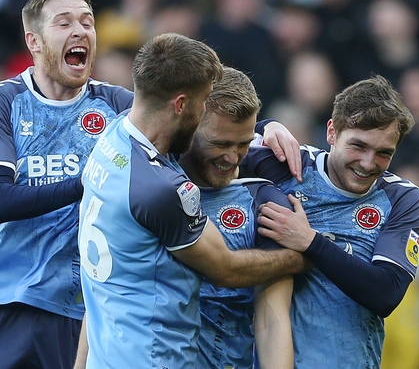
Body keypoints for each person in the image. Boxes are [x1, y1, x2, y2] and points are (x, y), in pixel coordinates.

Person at [0, 0, 301, 369]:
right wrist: (90, 180)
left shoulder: (115, 105)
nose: (80, 31)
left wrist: (264, 129)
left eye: (87, 22)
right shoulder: (1, 100)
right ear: (33, 40)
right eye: (64, 23)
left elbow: (193, 126)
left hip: (75, 304)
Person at [76, 33, 306, 368]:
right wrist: (307, 253)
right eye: (204, 101)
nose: (233, 157)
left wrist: (268, 126)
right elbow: (225, 268)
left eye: (242, 144)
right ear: (182, 105)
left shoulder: (112, 140)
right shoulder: (163, 189)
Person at [248, 74, 419, 367]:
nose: (369, 163)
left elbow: (386, 293)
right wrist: (264, 126)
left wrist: (310, 242)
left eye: (384, 153)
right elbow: (212, 144)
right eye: (358, 146)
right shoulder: (287, 164)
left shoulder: (402, 200)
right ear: (332, 132)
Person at [177, 66, 296, 368]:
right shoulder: (149, 179)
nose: (231, 158)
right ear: (189, 122)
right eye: (220, 144)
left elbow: (272, 319)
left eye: (243, 144)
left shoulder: (264, 203)